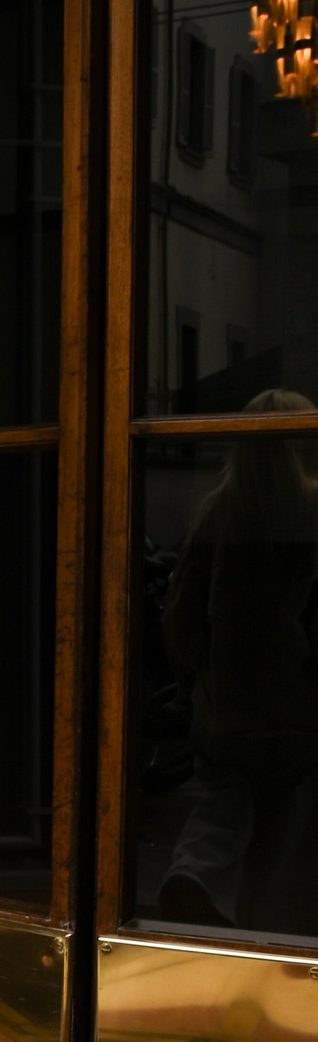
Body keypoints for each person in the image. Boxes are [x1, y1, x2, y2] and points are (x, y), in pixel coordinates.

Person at [156, 391, 318, 936]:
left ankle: (196, 874)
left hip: (227, 710)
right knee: (289, 827)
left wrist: (190, 683)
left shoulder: (218, 510)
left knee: (226, 802)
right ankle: (270, 925)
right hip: (300, 711)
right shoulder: (312, 509)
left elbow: (181, 613)